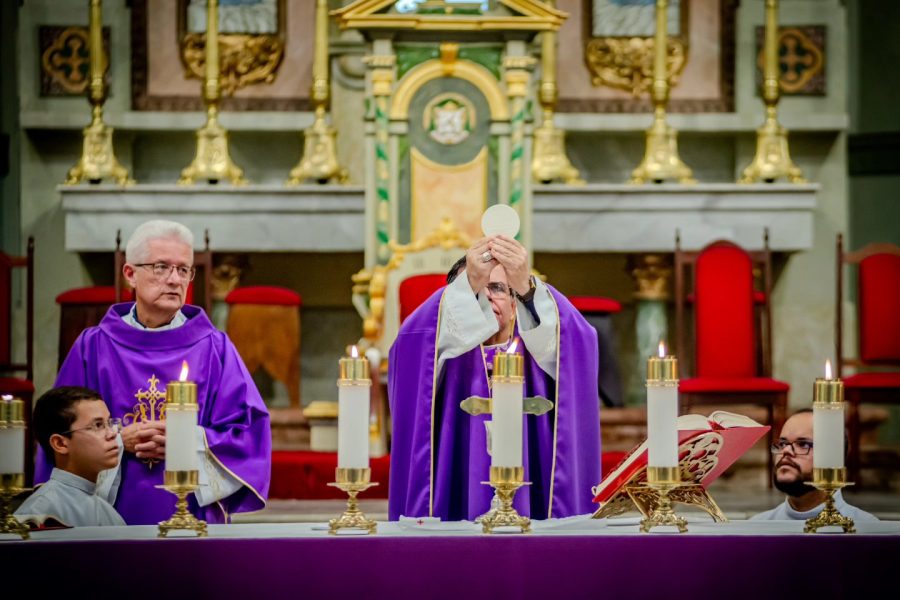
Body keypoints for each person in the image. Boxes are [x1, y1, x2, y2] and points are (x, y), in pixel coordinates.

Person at [39, 219, 271, 525]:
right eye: (161, 267)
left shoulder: (215, 348)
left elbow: (249, 435)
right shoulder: (93, 347)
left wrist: (188, 441)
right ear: (130, 274)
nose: (175, 279)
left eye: (183, 269)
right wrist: (118, 438)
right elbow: (59, 433)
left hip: (192, 516)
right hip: (104, 515)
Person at [388, 234, 601, 521]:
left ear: (515, 305)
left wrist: (527, 288)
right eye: (476, 288)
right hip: (455, 488)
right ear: (456, 301)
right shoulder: (443, 351)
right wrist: (467, 284)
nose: (487, 295)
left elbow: (578, 340)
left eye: (499, 288)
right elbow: (410, 345)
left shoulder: (539, 347)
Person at [16, 387, 125, 527]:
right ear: (60, 443)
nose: (112, 434)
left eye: (109, 423)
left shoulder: (108, 512)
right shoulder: (37, 516)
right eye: (98, 425)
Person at [750, 409, 877, 522]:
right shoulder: (758, 526)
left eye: (803, 444)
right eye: (782, 444)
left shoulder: (865, 527)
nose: (786, 451)